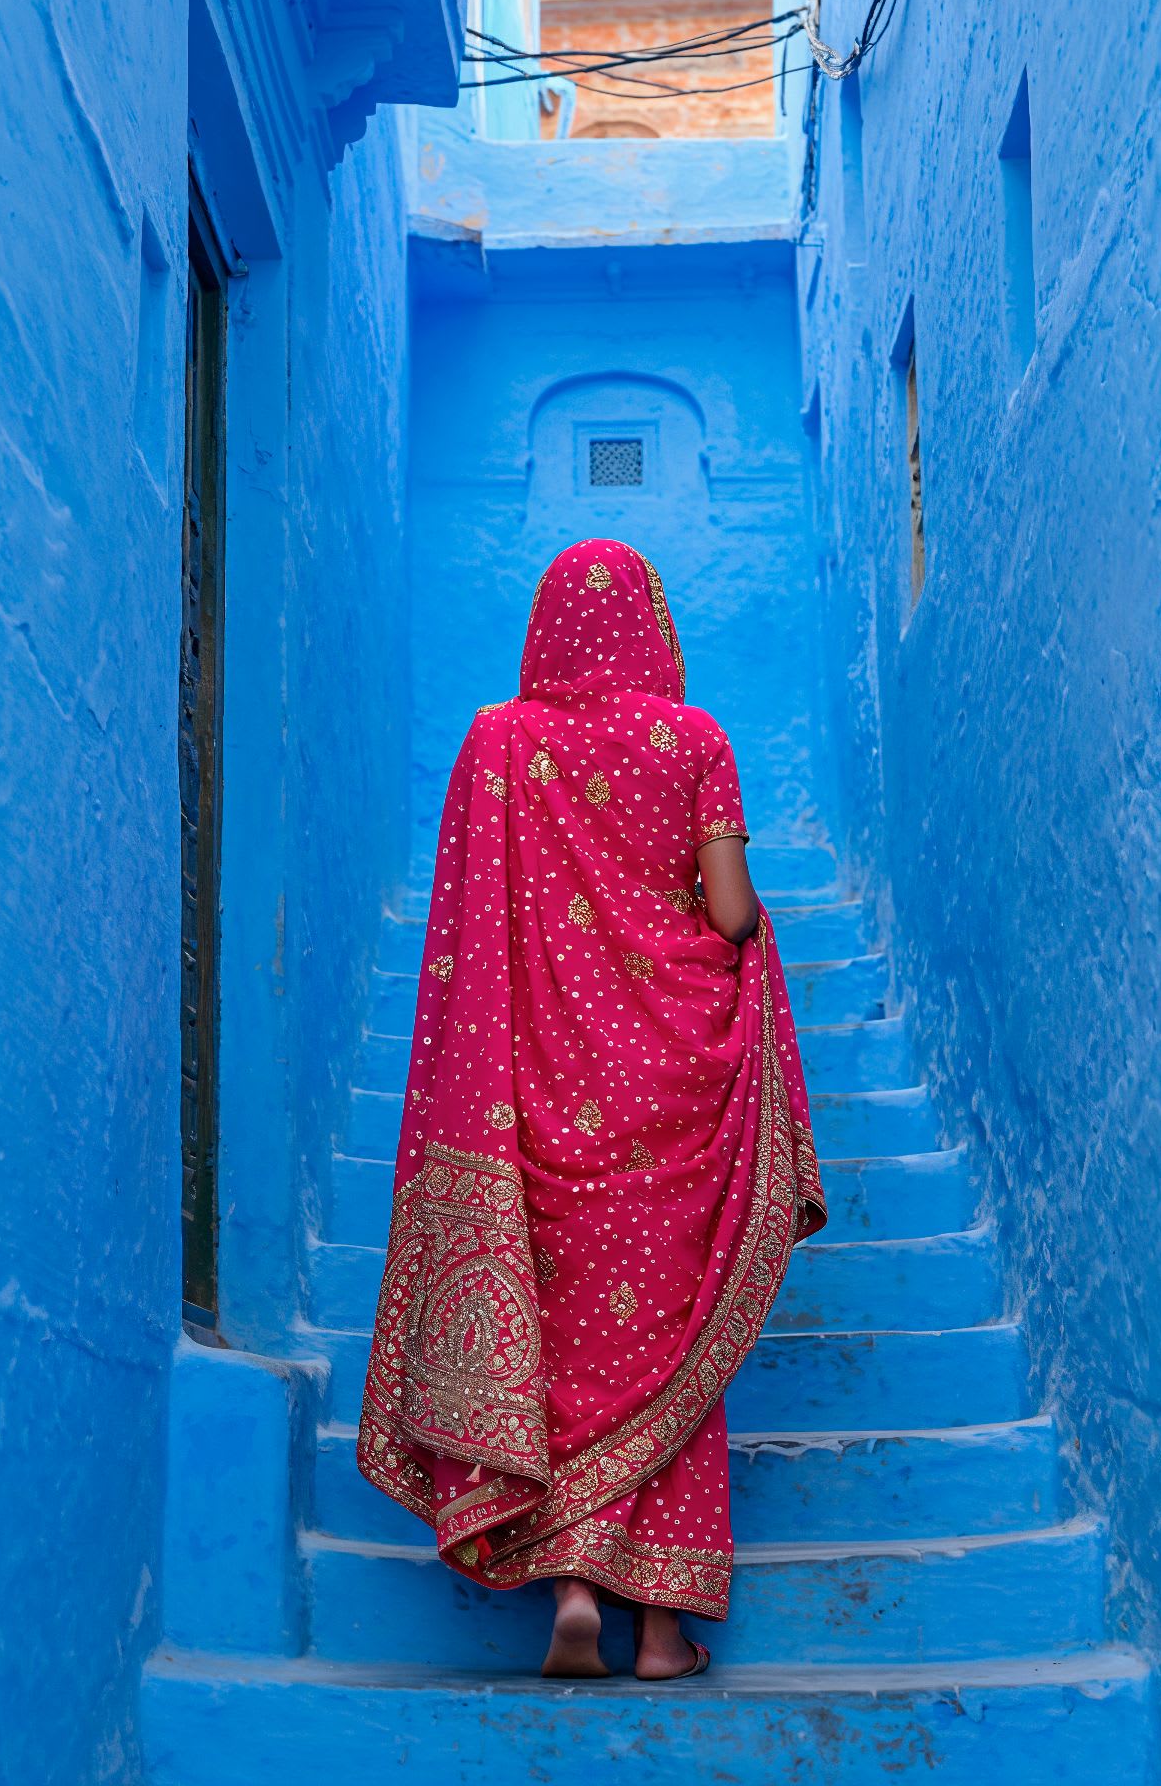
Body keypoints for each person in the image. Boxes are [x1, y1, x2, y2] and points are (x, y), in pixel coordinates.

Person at [358, 539, 826, 1680]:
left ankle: (571, 1590)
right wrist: (760, 940)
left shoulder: (497, 745)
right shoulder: (697, 739)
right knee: (674, 1348)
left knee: (572, 1354)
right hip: (677, 1094)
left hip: (543, 1099)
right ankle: (662, 1631)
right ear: (651, 629)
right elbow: (724, 914)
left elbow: (475, 943)